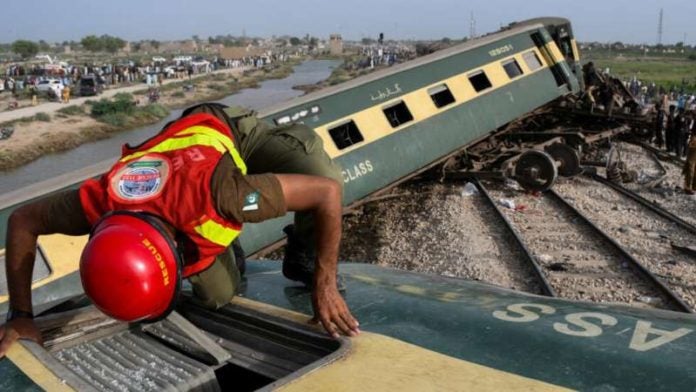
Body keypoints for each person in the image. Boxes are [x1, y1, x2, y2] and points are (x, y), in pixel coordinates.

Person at [0, 103, 359, 358]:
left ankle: (303, 258)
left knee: (322, 173)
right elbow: (22, 220)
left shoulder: (224, 196)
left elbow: (326, 194)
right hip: (175, 164)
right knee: (218, 296)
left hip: (223, 131)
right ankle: (224, 248)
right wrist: (21, 316)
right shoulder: (100, 199)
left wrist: (323, 283)